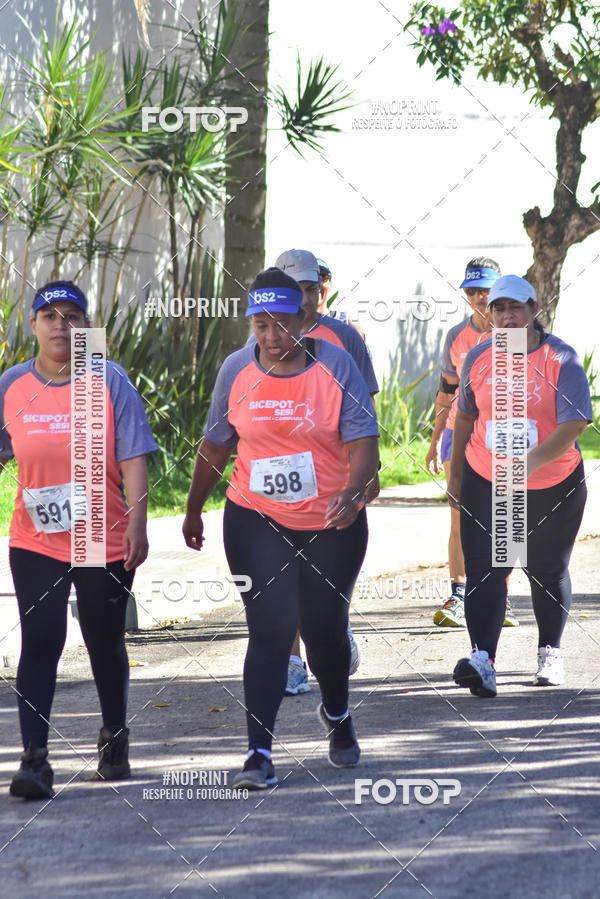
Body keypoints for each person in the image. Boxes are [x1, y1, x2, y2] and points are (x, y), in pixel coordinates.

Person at [183, 268, 379, 788]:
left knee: (324, 629)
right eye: (260, 324)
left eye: (283, 322)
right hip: (255, 515)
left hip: (330, 520)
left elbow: (365, 444)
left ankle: (336, 713)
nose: (272, 335)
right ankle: (258, 754)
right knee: (270, 627)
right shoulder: (236, 370)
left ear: (304, 318)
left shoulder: (336, 364)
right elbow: (217, 443)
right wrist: (193, 506)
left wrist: (352, 489)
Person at [0, 280, 157, 799]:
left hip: (101, 532)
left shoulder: (107, 378)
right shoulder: (13, 384)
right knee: (41, 640)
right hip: (36, 536)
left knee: (102, 639)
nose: (61, 325)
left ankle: (114, 736)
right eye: (50, 316)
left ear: (87, 327)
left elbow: (134, 453)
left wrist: (138, 521)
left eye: (73, 316)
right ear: (33, 326)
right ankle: (34, 761)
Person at [448, 275, 591, 697]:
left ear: (534, 309)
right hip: (486, 477)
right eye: (498, 309)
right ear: (488, 315)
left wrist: (525, 465)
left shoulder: (559, 357)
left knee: (545, 569)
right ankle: (482, 659)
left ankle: (550, 650)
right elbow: (464, 418)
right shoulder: (479, 357)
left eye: (516, 307)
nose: (507, 316)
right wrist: (456, 475)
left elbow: (574, 424)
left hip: (551, 483)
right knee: (487, 568)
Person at [274, 249, 380, 694]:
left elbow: (366, 406)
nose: (304, 299)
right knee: (289, 574)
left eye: (311, 289)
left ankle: (336, 628)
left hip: (339, 475)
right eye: (294, 290)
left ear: (322, 289)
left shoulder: (344, 337)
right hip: (284, 475)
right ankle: (293, 661)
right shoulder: (263, 340)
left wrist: (369, 471)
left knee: (329, 574)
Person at [426, 258, 518, 628]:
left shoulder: (516, 334)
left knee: (506, 516)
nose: (479, 297)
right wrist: (434, 442)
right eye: (471, 291)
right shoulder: (456, 337)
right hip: (457, 434)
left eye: (486, 290)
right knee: (459, 513)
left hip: (502, 436)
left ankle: (502, 598)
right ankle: (459, 595)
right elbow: (446, 392)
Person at [316, 259, 365, 339]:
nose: (317, 283)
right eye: (311, 277)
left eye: (323, 276)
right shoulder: (293, 327)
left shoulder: (346, 325)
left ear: (330, 285)